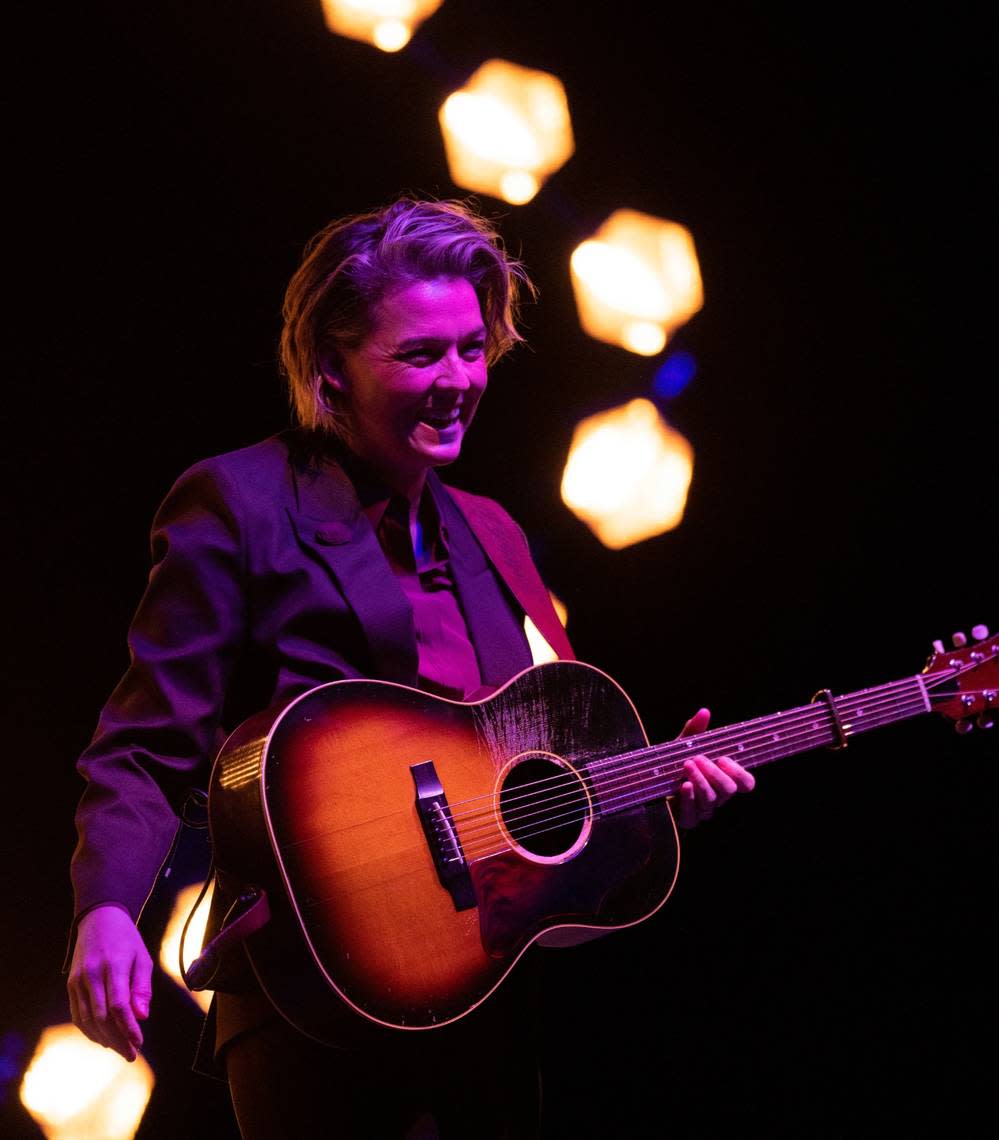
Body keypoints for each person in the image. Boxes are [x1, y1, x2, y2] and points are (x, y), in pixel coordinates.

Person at [64, 194, 755, 1138]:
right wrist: (106, 908)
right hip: (311, 999)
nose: (459, 379)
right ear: (331, 371)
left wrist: (657, 794)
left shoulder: (493, 532)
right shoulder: (238, 503)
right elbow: (144, 747)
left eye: (472, 348)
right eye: (421, 354)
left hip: (484, 993)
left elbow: (532, 782)